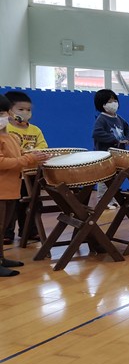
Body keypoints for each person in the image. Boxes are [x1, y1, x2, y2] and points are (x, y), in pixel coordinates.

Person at [0, 94, 49, 276]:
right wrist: (28, 159)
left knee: (3, 226)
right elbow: (3, 162)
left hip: (10, 190)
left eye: (3, 113)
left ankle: (1, 258)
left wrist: (37, 157)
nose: (3, 117)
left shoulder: (11, 137)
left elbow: (20, 156)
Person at [91, 89, 129, 209]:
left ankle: (112, 199)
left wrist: (128, 139)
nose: (113, 103)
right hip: (105, 155)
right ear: (102, 104)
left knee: (115, 179)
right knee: (105, 179)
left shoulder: (118, 118)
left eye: (115, 100)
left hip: (118, 155)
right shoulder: (102, 118)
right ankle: (103, 201)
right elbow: (97, 133)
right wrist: (115, 140)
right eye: (110, 101)